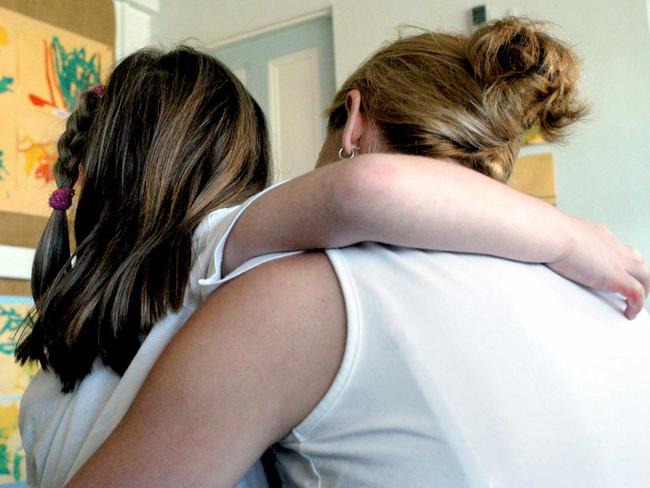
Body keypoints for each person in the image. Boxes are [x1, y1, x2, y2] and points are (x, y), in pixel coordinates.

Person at [19, 19, 648, 488]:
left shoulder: (270, 285)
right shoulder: (611, 300)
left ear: (351, 122)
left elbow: (364, 187)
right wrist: (569, 236)